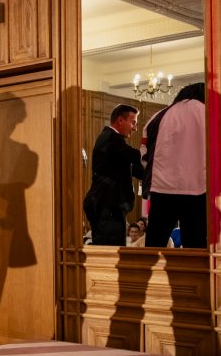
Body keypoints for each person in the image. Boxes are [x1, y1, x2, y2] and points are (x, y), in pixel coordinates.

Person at [140, 83, 206, 248]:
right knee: (195, 245)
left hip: (162, 189)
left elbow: (144, 155)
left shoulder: (159, 115)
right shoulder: (208, 113)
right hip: (198, 189)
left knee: (154, 244)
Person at [82, 104, 143, 246]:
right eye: (133, 122)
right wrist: (155, 154)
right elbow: (134, 156)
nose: (135, 128)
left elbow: (133, 168)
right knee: (111, 252)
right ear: (120, 120)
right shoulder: (111, 138)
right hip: (107, 207)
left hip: (106, 206)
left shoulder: (112, 142)